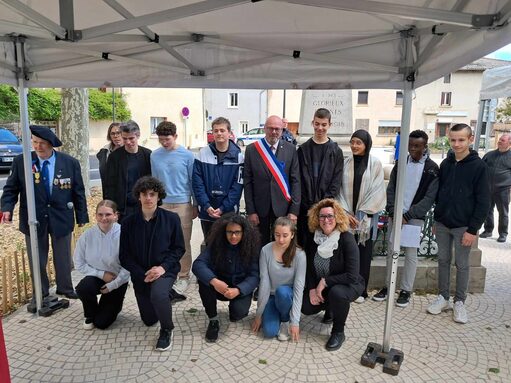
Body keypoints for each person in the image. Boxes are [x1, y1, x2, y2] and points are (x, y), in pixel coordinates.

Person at [1, 125, 88, 301]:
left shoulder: (69, 162)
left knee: (63, 257)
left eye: (42, 143)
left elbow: (78, 191)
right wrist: (6, 208)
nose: (38, 146)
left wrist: (81, 215)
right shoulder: (22, 161)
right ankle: (41, 292)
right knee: (37, 258)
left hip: (61, 216)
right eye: (35, 142)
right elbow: (11, 189)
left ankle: (65, 288)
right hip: (34, 218)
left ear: (51, 144)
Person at [427, 123, 490, 324]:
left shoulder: (479, 167)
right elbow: (440, 194)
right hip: (443, 223)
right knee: (443, 260)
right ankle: (443, 297)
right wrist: (437, 219)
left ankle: (460, 302)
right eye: (453, 140)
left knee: (462, 264)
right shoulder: (446, 164)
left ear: (470, 140)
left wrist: (473, 230)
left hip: (464, 226)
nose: (456, 144)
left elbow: (484, 201)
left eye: (461, 140)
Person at [372, 130, 439, 307]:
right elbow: (391, 188)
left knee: (410, 254)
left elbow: (429, 197)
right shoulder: (401, 163)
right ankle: (388, 286)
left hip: (414, 218)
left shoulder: (432, 168)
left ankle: (406, 290)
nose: (412, 149)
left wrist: (409, 215)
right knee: (392, 252)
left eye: (417, 146)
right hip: (397, 215)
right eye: (410, 145)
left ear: (425, 146)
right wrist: (394, 211)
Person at [119, 176, 185, 351]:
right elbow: (124, 256)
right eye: (144, 194)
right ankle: (168, 294)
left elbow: (178, 249)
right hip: (141, 274)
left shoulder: (172, 219)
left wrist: (162, 268)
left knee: (157, 294)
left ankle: (167, 330)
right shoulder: (127, 223)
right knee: (149, 320)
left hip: (165, 270)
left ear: (158, 196)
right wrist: (142, 274)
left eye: (152, 194)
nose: (148, 198)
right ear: (138, 196)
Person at [301, 199, 364, 351]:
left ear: (337, 218)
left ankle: (338, 332)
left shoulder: (346, 239)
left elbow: (352, 275)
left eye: (330, 216)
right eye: (322, 216)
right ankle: (330, 310)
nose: (326, 220)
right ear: (317, 218)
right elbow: (308, 267)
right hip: (323, 284)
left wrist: (325, 282)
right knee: (306, 307)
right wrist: (311, 288)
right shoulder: (313, 239)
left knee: (337, 293)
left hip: (349, 284)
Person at [192, 214, 260, 343]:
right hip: (220, 286)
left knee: (237, 314)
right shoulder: (216, 244)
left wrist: (239, 290)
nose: (233, 236)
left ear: (244, 232)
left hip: (239, 288)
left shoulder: (252, 248)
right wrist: (214, 281)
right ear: (224, 232)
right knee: (204, 280)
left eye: (237, 232)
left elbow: (255, 275)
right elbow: (198, 264)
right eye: (229, 232)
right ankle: (213, 319)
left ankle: (235, 306)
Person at [338, 129, 385, 303]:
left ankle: (361, 290)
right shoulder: (345, 163)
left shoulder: (375, 164)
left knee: (364, 255)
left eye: (359, 143)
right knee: (348, 254)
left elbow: (377, 190)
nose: (354, 146)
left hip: (366, 219)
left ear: (367, 145)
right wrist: (346, 213)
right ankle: (348, 286)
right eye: (353, 142)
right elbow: (339, 190)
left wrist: (361, 213)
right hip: (347, 217)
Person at [151, 121, 197, 297]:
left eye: (167, 139)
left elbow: (193, 181)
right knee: (163, 242)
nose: (164, 143)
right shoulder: (154, 156)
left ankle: (184, 275)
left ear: (176, 137)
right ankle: (168, 271)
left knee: (183, 242)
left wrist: (195, 205)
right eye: (161, 139)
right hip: (163, 204)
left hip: (183, 204)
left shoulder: (187, 155)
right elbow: (154, 181)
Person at [243, 115, 301, 246]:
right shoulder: (252, 149)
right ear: (264, 128)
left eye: (277, 129)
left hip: (283, 207)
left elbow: (296, 181)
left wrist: (293, 211)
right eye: (270, 128)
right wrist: (251, 211)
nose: (274, 132)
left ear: (282, 130)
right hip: (259, 208)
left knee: (282, 244)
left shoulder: (290, 149)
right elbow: (247, 183)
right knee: (258, 244)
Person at [74, 200, 130, 330]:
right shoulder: (87, 235)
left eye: (108, 214)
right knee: (83, 288)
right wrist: (101, 274)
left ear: (116, 215)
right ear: (96, 216)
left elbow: (129, 266)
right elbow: (79, 263)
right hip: (97, 277)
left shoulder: (125, 235)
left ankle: (114, 305)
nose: (104, 218)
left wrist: (112, 285)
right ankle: (89, 313)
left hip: (118, 280)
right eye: (100, 214)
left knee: (101, 323)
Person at [252, 217, 306, 342]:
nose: (281, 239)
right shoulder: (265, 250)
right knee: (269, 332)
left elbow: (299, 288)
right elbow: (264, 282)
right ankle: (274, 314)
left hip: (287, 296)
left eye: (285, 235)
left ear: (292, 235)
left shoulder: (300, 255)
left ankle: (285, 319)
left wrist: (295, 322)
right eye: (277, 235)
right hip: (271, 296)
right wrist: (259, 314)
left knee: (282, 292)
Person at [297, 108, 343, 248]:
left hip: (325, 210)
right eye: (317, 124)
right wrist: (308, 205)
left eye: (324, 124)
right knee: (306, 247)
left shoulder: (336, 151)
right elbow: (298, 179)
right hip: (305, 208)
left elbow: (336, 181)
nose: (320, 128)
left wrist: (322, 205)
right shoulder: (303, 150)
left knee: (323, 248)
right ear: (312, 123)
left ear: (330, 125)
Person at [193, 117, 244, 239]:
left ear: (229, 133)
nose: (219, 133)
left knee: (229, 247)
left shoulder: (239, 156)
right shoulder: (202, 154)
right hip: (207, 212)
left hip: (229, 212)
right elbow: (197, 184)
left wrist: (223, 208)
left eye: (222, 130)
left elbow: (237, 187)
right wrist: (206, 205)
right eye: (215, 131)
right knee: (210, 246)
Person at [104, 120, 152, 221]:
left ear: (138, 135)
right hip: (123, 208)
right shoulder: (114, 157)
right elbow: (109, 185)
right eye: (124, 138)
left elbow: (152, 181)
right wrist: (111, 208)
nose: (128, 142)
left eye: (131, 138)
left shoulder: (147, 155)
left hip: (144, 205)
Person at [480, 133, 511, 243]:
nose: (499, 141)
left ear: (509, 143)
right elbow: (481, 168)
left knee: (503, 212)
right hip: (487, 188)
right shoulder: (490, 154)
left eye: (503, 140)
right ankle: (488, 230)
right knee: (487, 210)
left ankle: (503, 233)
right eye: (499, 140)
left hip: (503, 189)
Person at [96, 122, 123, 198]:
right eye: (112, 133)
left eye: (118, 133)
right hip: (108, 194)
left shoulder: (130, 151)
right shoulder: (104, 152)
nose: (116, 136)